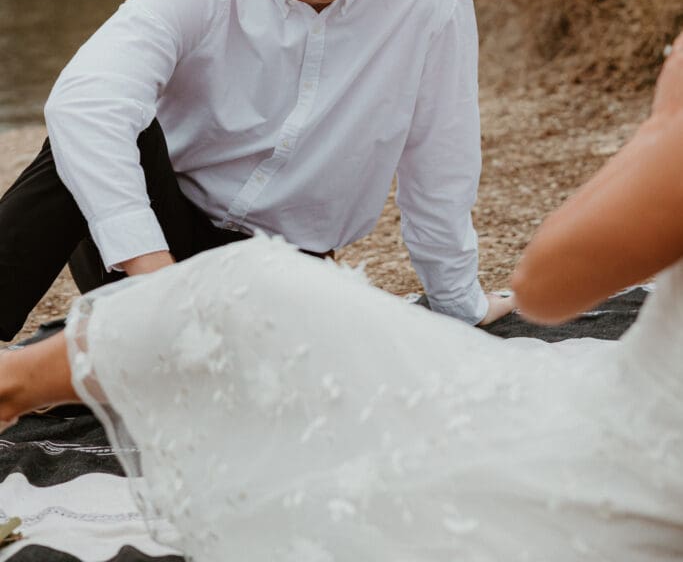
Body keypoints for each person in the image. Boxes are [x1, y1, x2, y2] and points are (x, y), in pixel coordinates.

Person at [1, 37, 683, 560]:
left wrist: (666, 120)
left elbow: (546, 287)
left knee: (251, 290)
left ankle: (12, 384)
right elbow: (89, 100)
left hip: (631, 460)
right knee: (99, 126)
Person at [0, 0, 513, 342]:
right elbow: (85, 101)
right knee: (93, 123)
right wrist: (158, 278)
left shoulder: (433, 0)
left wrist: (458, 304)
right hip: (158, 243)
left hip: (286, 276)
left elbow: (440, 170)